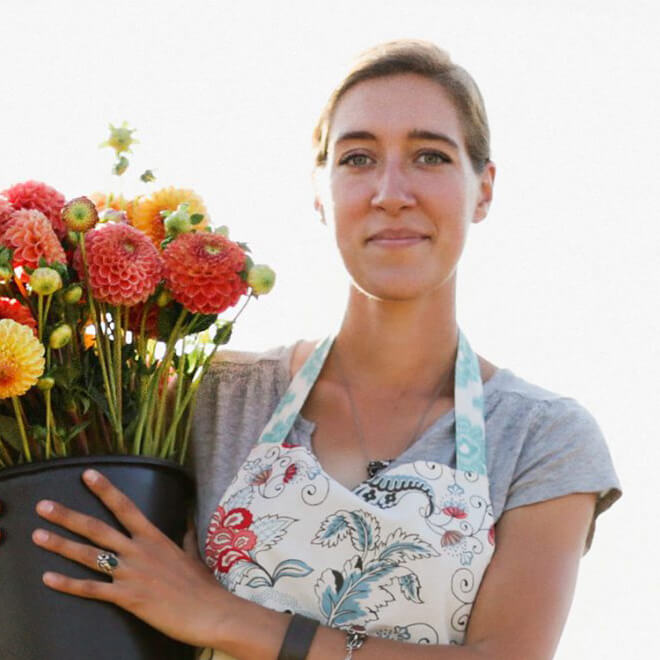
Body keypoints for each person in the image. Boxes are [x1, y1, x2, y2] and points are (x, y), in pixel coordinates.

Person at [32, 40, 621, 659]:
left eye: (429, 156)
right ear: (320, 190)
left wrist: (223, 617)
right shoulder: (210, 398)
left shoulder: (541, 438)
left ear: (484, 189)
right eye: (358, 157)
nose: (391, 192)